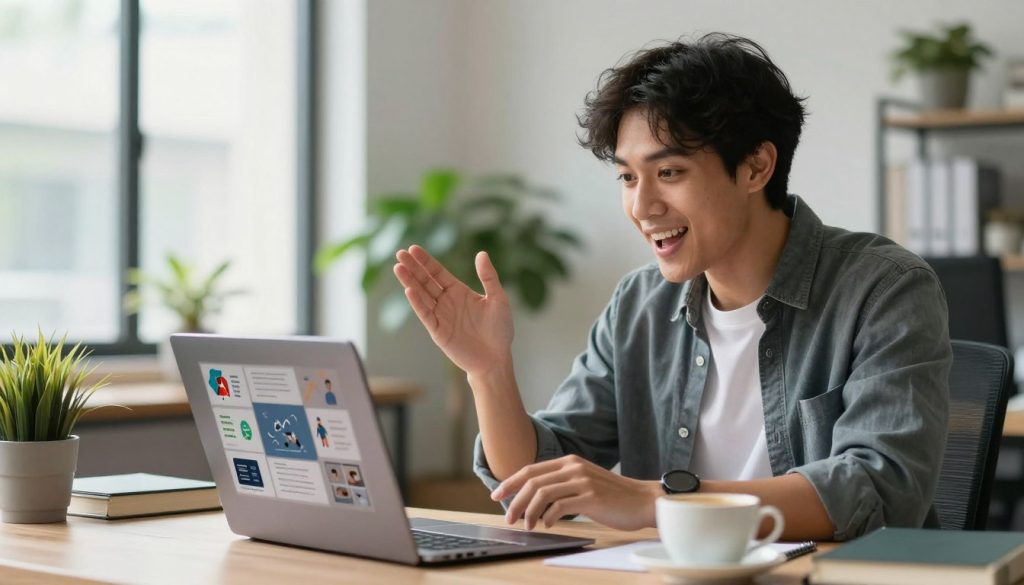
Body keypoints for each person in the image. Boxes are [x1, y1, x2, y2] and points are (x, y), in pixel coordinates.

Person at [392, 33, 950, 542]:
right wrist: (488, 372)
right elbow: (537, 482)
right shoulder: (640, 304)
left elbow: (878, 490)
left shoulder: (884, 288)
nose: (642, 207)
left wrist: (655, 501)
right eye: (628, 177)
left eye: (670, 173)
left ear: (756, 167)